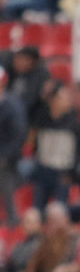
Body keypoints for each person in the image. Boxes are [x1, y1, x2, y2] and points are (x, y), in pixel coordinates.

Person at [0, 66, 28, 226]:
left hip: (7, 160)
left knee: (8, 191)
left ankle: (13, 222)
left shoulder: (12, 106)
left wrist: (4, 157)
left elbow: (19, 135)